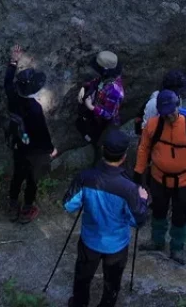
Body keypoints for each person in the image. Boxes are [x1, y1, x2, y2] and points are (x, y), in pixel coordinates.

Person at [64, 128, 150, 307]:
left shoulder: (85, 177)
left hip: (89, 241)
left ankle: (79, 303)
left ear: (103, 150)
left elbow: (69, 205)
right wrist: (143, 200)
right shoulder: (130, 189)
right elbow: (138, 221)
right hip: (117, 246)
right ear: (124, 156)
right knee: (112, 284)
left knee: (82, 278)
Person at [134, 88, 186, 265]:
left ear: (178, 106)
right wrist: (138, 171)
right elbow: (144, 148)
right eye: (165, 114)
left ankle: (177, 247)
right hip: (158, 177)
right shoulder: (153, 125)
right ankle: (157, 241)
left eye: (172, 112)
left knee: (180, 214)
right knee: (158, 210)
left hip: (184, 180)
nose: (170, 117)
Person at [5, 45, 57, 223]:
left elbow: (7, 82)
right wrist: (50, 149)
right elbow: (42, 133)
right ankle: (27, 208)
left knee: (17, 175)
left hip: (18, 144)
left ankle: (12, 206)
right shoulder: (35, 109)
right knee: (32, 179)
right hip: (34, 151)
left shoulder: (13, 96)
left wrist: (13, 61)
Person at [77, 51, 125, 158]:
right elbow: (96, 82)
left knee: (102, 144)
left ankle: (98, 156)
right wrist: (84, 87)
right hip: (97, 116)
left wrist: (91, 107)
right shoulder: (107, 78)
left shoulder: (115, 91)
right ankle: (91, 140)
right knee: (82, 124)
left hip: (108, 122)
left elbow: (109, 114)